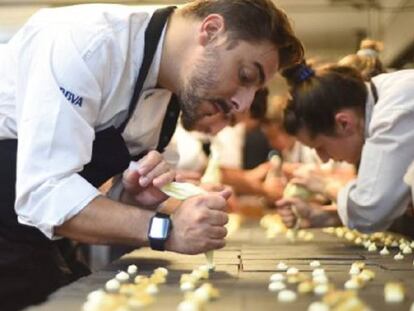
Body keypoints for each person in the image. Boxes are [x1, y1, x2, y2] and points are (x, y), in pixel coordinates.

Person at [0, 0, 303, 308]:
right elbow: (43, 195)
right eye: (245, 76)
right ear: (211, 30)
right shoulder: (88, 44)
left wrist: (130, 198)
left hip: (40, 239)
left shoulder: (169, 91)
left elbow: (88, 198)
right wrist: (165, 230)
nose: (243, 104)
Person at [276, 62, 414, 235]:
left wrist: (324, 184)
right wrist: (320, 215)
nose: (324, 158)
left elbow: (370, 211)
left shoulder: (393, 113)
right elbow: (388, 207)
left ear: (344, 123)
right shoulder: (385, 98)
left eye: (321, 147)